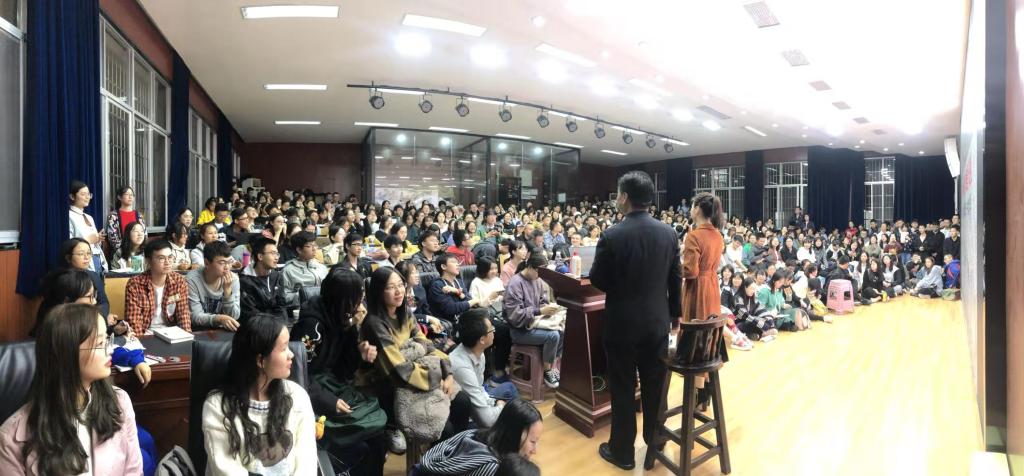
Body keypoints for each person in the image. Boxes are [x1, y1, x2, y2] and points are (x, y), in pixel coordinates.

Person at [587, 172, 682, 470]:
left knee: (623, 388)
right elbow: (675, 278)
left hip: (622, 323)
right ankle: (655, 443)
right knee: (655, 384)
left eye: (618, 194)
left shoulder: (612, 235)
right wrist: (675, 315)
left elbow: (597, 278)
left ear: (625, 197)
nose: (617, 198)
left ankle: (623, 452)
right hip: (657, 321)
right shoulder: (668, 233)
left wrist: (622, 285)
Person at [0, 303, 144, 475]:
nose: (110, 350)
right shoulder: (10, 439)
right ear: (67, 354)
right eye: (100, 343)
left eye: (107, 339)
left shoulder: (119, 402)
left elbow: (133, 471)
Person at [358, 267, 460, 455]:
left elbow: (425, 343)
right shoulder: (374, 323)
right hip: (389, 384)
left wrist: (448, 373)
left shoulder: (404, 312)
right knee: (446, 429)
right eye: (390, 287)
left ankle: (454, 458)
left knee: (463, 402)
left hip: (418, 374)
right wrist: (437, 377)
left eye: (400, 285)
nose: (398, 291)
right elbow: (397, 368)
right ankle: (434, 463)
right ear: (379, 292)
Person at [201, 315, 318, 475]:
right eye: (284, 348)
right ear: (260, 360)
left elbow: (306, 463)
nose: (291, 355)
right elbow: (226, 470)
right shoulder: (218, 407)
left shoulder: (297, 397)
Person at [31, 269, 153, 385]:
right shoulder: (63, 331)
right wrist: (131, 354)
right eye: (89, 296)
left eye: (94, 294)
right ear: (67, 301)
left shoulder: (78, 323)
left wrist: (134, 358)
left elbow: (103, 350)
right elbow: (98, 352)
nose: (94, 301)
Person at [419, 399, 543, 476]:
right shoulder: (491, 469)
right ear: (514, 435)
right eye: (532, 442)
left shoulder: (472, 434)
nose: (535, 451)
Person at [449, 309, 519, 429]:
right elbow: (486, 420)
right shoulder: (461, 367)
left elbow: (479, 389)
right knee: (505, 416)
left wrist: (493, 403)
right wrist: (500, 406)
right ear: (482, 339)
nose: (494, 331)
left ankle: (512, 426)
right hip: (468, 418)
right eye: (492, 329)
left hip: (477, 399)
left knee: (510, 388)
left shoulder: (478, 351)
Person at [124, 239, 192, 335]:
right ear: (149, 261)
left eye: (170, 257)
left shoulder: (179, 281)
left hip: (172, 334)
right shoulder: (135, 284)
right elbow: (134, 323)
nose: (167, 262)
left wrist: (187, 338)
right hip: (146, 334)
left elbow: (183, 316)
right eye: (161, 258)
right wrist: (141, 341)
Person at [470, 257, 512, 381]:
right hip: (484, 315)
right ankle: (496, 369)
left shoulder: (497, 280)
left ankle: (500, 365)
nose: (494, 271)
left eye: (495, 268)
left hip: (500, 311)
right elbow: (476, 305)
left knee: (510, 327)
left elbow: (503, 298)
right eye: (491, 269)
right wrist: (490, 297)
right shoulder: (476, 282)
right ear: (483, 270)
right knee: (503, 331)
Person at [56, 237, 115, 324]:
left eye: (89, 253)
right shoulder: (60, 279)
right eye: (81, 254)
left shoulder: (94, 276)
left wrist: (101, 318)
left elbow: (103, 302)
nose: (86, 257)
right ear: (68, 257)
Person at [186, 240, 241, 331]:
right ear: (207, 263)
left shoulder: (233, 279)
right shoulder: (192, 279)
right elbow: (195, 316)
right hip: (199, 331)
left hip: (224, 330)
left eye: (229, 262)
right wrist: (219, 319)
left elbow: (234, 316)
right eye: (222, 263)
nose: (227, 267)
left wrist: (227, 293)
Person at [428, 253, 494, 323]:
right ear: (444, 266)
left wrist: (457, 292)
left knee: (489, 316)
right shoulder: (437, 285)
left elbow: (468, 299)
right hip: (450, 322)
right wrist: (475, 300)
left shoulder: (459, 281)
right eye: (453, 262)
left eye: (457, 262)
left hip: (464, 317)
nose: (458, 265)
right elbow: (451, 309)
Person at [240, 237, 291, 322]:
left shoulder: (277, 276)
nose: (276, 257)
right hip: (256, 325)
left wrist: (282, 324)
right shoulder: (244, 280)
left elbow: (281, 305)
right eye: (273, 253)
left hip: (277, 323)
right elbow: (250, 313)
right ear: (260, 256)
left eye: (277, 254)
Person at [68, 180, 108, 272]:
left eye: (89, 194)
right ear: (72, 196)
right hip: (82, 260)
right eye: (83, 194)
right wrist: (88, 240)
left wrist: (98, 239)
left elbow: (94, 242)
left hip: (97, 257)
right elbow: (69, 243)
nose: (87, 197)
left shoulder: (89, 217)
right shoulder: (69, 216)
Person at [280, 232, 329, 306]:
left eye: (315, 245)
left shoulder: (321, 267)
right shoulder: (288, 270)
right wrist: (304, 294)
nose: (314, 249)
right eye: (309, 246)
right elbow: (284, 297)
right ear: (299, 250)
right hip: (301, 308)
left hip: (323, 306)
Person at [104, 186, 146, 259]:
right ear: (119, 197)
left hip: (138, 253)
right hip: (120, 254)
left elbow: (144, 234)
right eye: (127, 194)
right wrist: (126, 253)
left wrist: (137, 251)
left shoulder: (139, 215)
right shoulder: (113, 216)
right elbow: (113, 239)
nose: (130, 197)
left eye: (132, 195)